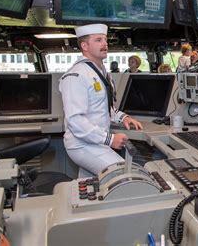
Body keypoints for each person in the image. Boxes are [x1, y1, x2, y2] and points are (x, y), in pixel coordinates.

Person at [59, 24, 143, 176]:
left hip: (95, 140)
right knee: (127, 175)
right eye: (98, 40)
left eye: (105, 40)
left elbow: (104, 106)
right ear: (84, 45)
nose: (105, 44)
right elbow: (76, 120)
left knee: (90, 186)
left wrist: (123, 117)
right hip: (82, 144)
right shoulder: (76, 76)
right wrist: (109, 139)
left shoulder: (102, 73)